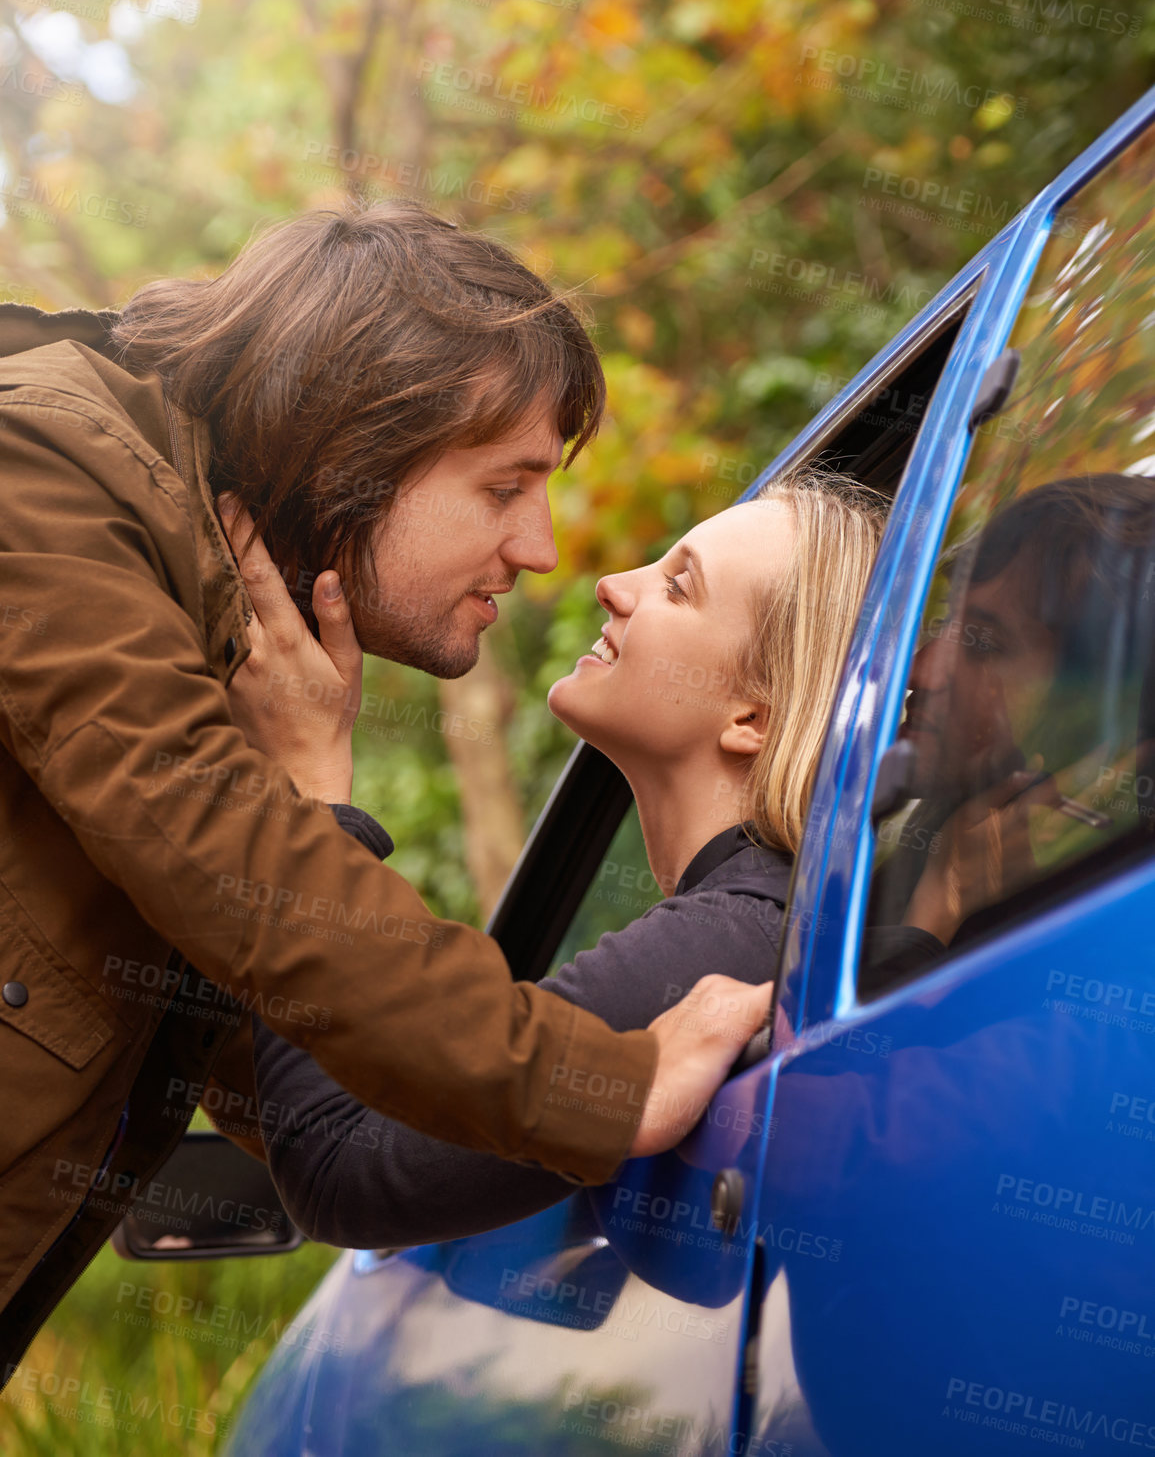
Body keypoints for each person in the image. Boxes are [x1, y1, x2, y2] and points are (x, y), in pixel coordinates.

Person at [0, 203, 768, 1371]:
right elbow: (193, 821)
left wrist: (311, 796)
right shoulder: (47, 471)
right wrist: (602, 1086)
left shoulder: (207, 616)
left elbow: (298, 1077)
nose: (545, 550)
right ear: (357, 443)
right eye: (505, 487)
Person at [217, 470, 887, 1248]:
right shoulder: (766, 920)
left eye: (677, 586)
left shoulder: (729, 943)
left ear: (752, 716)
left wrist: (311, 799)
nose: (611, 585)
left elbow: (342, 1166)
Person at [862, 472, 1155, 992]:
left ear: (1095, 717)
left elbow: (852, 1070)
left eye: (986, 646)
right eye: (945, 625)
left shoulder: (1100, 973)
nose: (919, 671)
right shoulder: (931, 833)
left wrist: (940, 908)